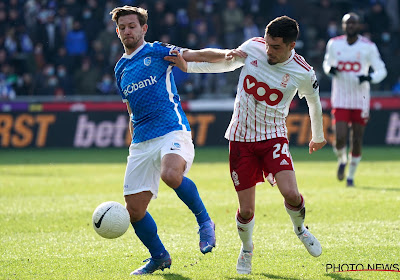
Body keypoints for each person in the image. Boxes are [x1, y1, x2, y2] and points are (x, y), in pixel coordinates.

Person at [166, 15, 326, 274]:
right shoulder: (253, 47)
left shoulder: (303, 72)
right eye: (268, 44)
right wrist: (189, 67)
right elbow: (226, 64)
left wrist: (317, 136)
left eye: (276, 47)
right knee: (247, 209)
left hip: (274, 136)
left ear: (291, 46)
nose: (269, 51)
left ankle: (300, 229)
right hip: (241, 139)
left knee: (292, 194)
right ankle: (247, 248)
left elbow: (314, 103)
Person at [109, 5, 232, 275]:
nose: (127, 30)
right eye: (123, 27)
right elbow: (131, 111)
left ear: (143, 29)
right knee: (134, 210)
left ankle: (205, 222)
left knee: (171, 174)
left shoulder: (157, 51)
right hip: (141, 140)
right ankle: (159, 257)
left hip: (171, 129)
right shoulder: (120, 69)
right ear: (117, 32)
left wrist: (227, 54)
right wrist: (133, 142)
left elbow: (195, 54)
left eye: (132, 26)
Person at [323, 13, 387, 187]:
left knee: (357, 139)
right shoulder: (334, 43)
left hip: (361, 98)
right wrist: (330, 69)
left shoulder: (368, 47)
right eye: (347, 23)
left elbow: (381, 70)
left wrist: (369, 78)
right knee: (341, 137)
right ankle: (342, 160)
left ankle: (350, 176)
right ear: (342, 26)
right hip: (341, 97)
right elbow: (327, 63)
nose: (350, 26)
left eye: (353, 24)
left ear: (359, 26)